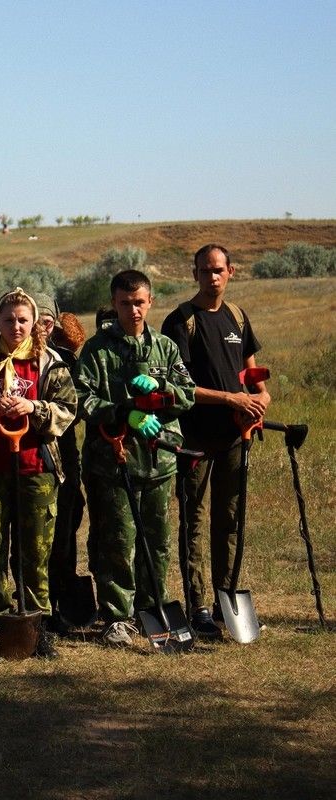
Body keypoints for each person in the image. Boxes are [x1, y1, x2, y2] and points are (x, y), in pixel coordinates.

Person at [0, 288, 77, 661]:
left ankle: (37, 631)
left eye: (23, 320)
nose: (16, 326)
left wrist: (33, 406)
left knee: (35, 550)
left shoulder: (50, 362)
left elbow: (67, 410)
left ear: (34, 322)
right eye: (9, 320)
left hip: (36, 469)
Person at [76, 271, 195, 646]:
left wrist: (163, 387)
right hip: (114, 462)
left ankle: (151, 608)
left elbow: (188, 395)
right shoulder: (97, 350)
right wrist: (123, 412)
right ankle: (117, 617)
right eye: (125, 303)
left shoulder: (165, 347)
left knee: (157, 542)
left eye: (139, 302)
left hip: (159, 462)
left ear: (151, 301)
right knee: (117, 540)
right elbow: (83, 400)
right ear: (114, 303)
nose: (133, 310)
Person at [160, 244, 269, 640]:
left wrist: (260, 397)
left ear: (231, 272)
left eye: (218, 270)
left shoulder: (237, 317)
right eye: (205, 271)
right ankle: (199, 605)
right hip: (195, 440)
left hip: (236, 438)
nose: (212, 277)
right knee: (195, 521)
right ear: (195, 274)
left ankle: (227, 599)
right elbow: (180, 385)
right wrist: (231, 399)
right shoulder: (180, 322)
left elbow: (251, 373)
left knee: (230, 520)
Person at [34, 294, 89, 631]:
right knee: (34, 534)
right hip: (28, 457)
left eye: (46, 320)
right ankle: (35, 601)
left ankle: (62, 594)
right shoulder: (10, 359)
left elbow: (79, 406)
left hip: (64, 457)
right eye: (34, 318)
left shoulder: (66, 360)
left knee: (66, 526)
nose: (40, 326)